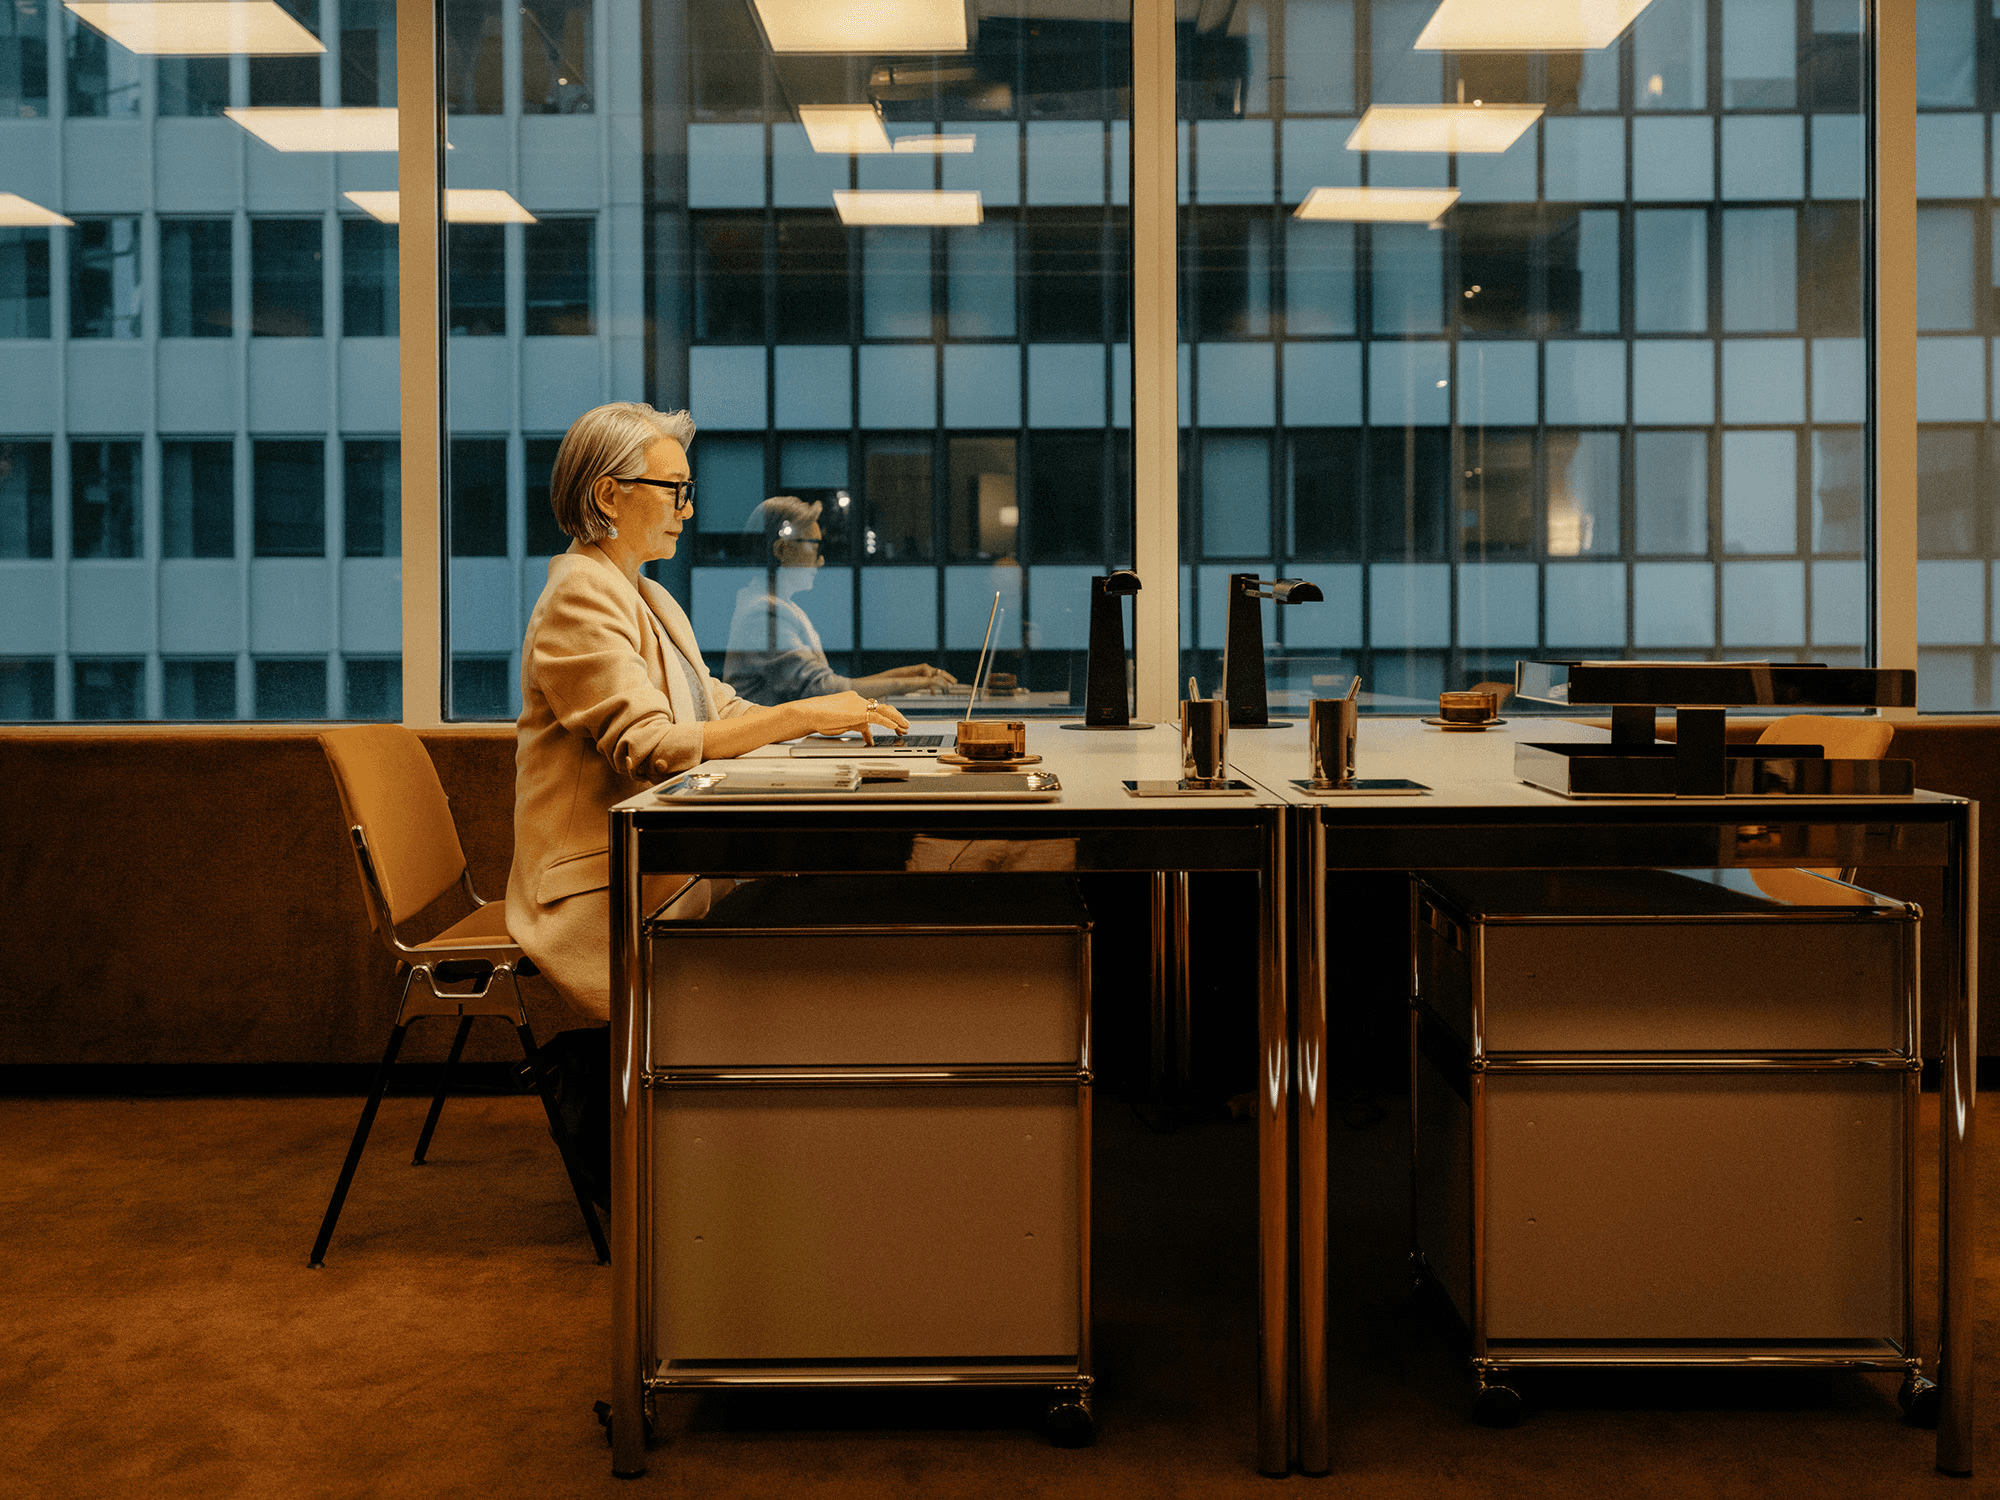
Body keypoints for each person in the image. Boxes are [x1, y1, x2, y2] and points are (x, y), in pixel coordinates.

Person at [507, 404, 909, 1194]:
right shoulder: (579, 598)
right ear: (610, 494)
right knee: (810, 925)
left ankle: (747, 1143)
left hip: (653, 866)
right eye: (674, 491)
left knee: (811, 911)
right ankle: (711, 1150)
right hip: (598, 888)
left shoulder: (649, 599)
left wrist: (827, 722)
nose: (689, 511)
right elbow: (651, 746)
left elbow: (716, 709)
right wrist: (807, 714)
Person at [722, 494, 957, 705]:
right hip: (769, 750)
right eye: (815, 547)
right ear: (782, 550)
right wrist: (912, 684)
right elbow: (821, 690)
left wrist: (908, 676)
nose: (821, 561)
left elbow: (832, 685)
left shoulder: (776, 606)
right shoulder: (763, 614)